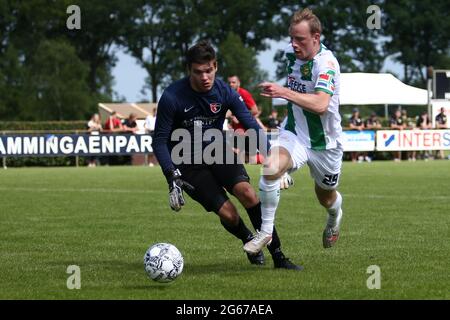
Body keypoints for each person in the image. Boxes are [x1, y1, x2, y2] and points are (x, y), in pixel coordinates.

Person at [152, 40, 301, 270]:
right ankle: (248, 239)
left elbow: (250, 123)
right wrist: (171, 176)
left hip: (218, 151)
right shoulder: (172, 96)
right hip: (188, 163)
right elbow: (159, 141)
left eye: (209, 70)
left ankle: (279, 256)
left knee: (249, 194)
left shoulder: (224, 91)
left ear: (216, 67)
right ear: (189, 70)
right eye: (198, 72)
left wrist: (273, 160)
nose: (204, 77)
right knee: (229, 215)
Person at [243, 8, 344, 255]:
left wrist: (283, 92)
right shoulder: (290, 54)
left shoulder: (327, 64)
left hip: (325, 143)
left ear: (316, 37)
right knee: (271, 167)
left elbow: (321, 105)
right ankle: (266, 231)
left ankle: (334, 217)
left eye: (300, 39)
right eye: (292, 38)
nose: (294, 44)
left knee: (326, 198)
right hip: (294, 132)